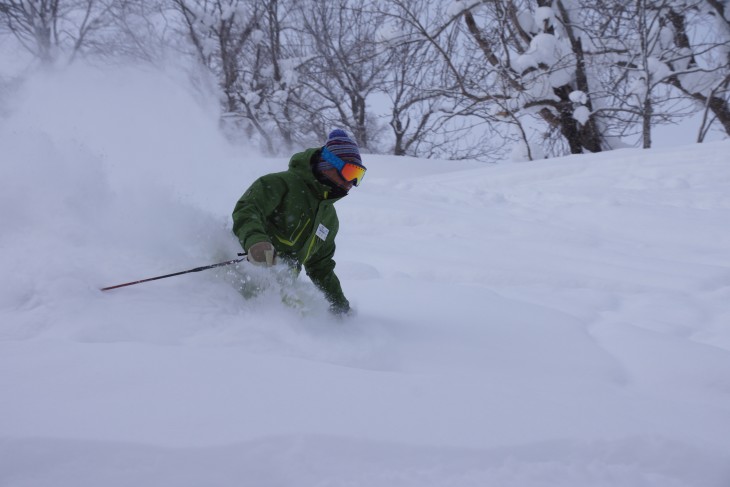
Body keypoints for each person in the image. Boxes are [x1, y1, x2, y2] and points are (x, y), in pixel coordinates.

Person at [231, 129, 366, 315]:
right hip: (236, 278)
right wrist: (256, 241)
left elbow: (321, 267)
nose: (352, 182)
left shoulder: (328, 219)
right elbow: (247, 210)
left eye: (358, 175)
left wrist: (340, 306)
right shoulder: (281, 183)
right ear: (329, 164)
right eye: (350, 171)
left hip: (273, 297)